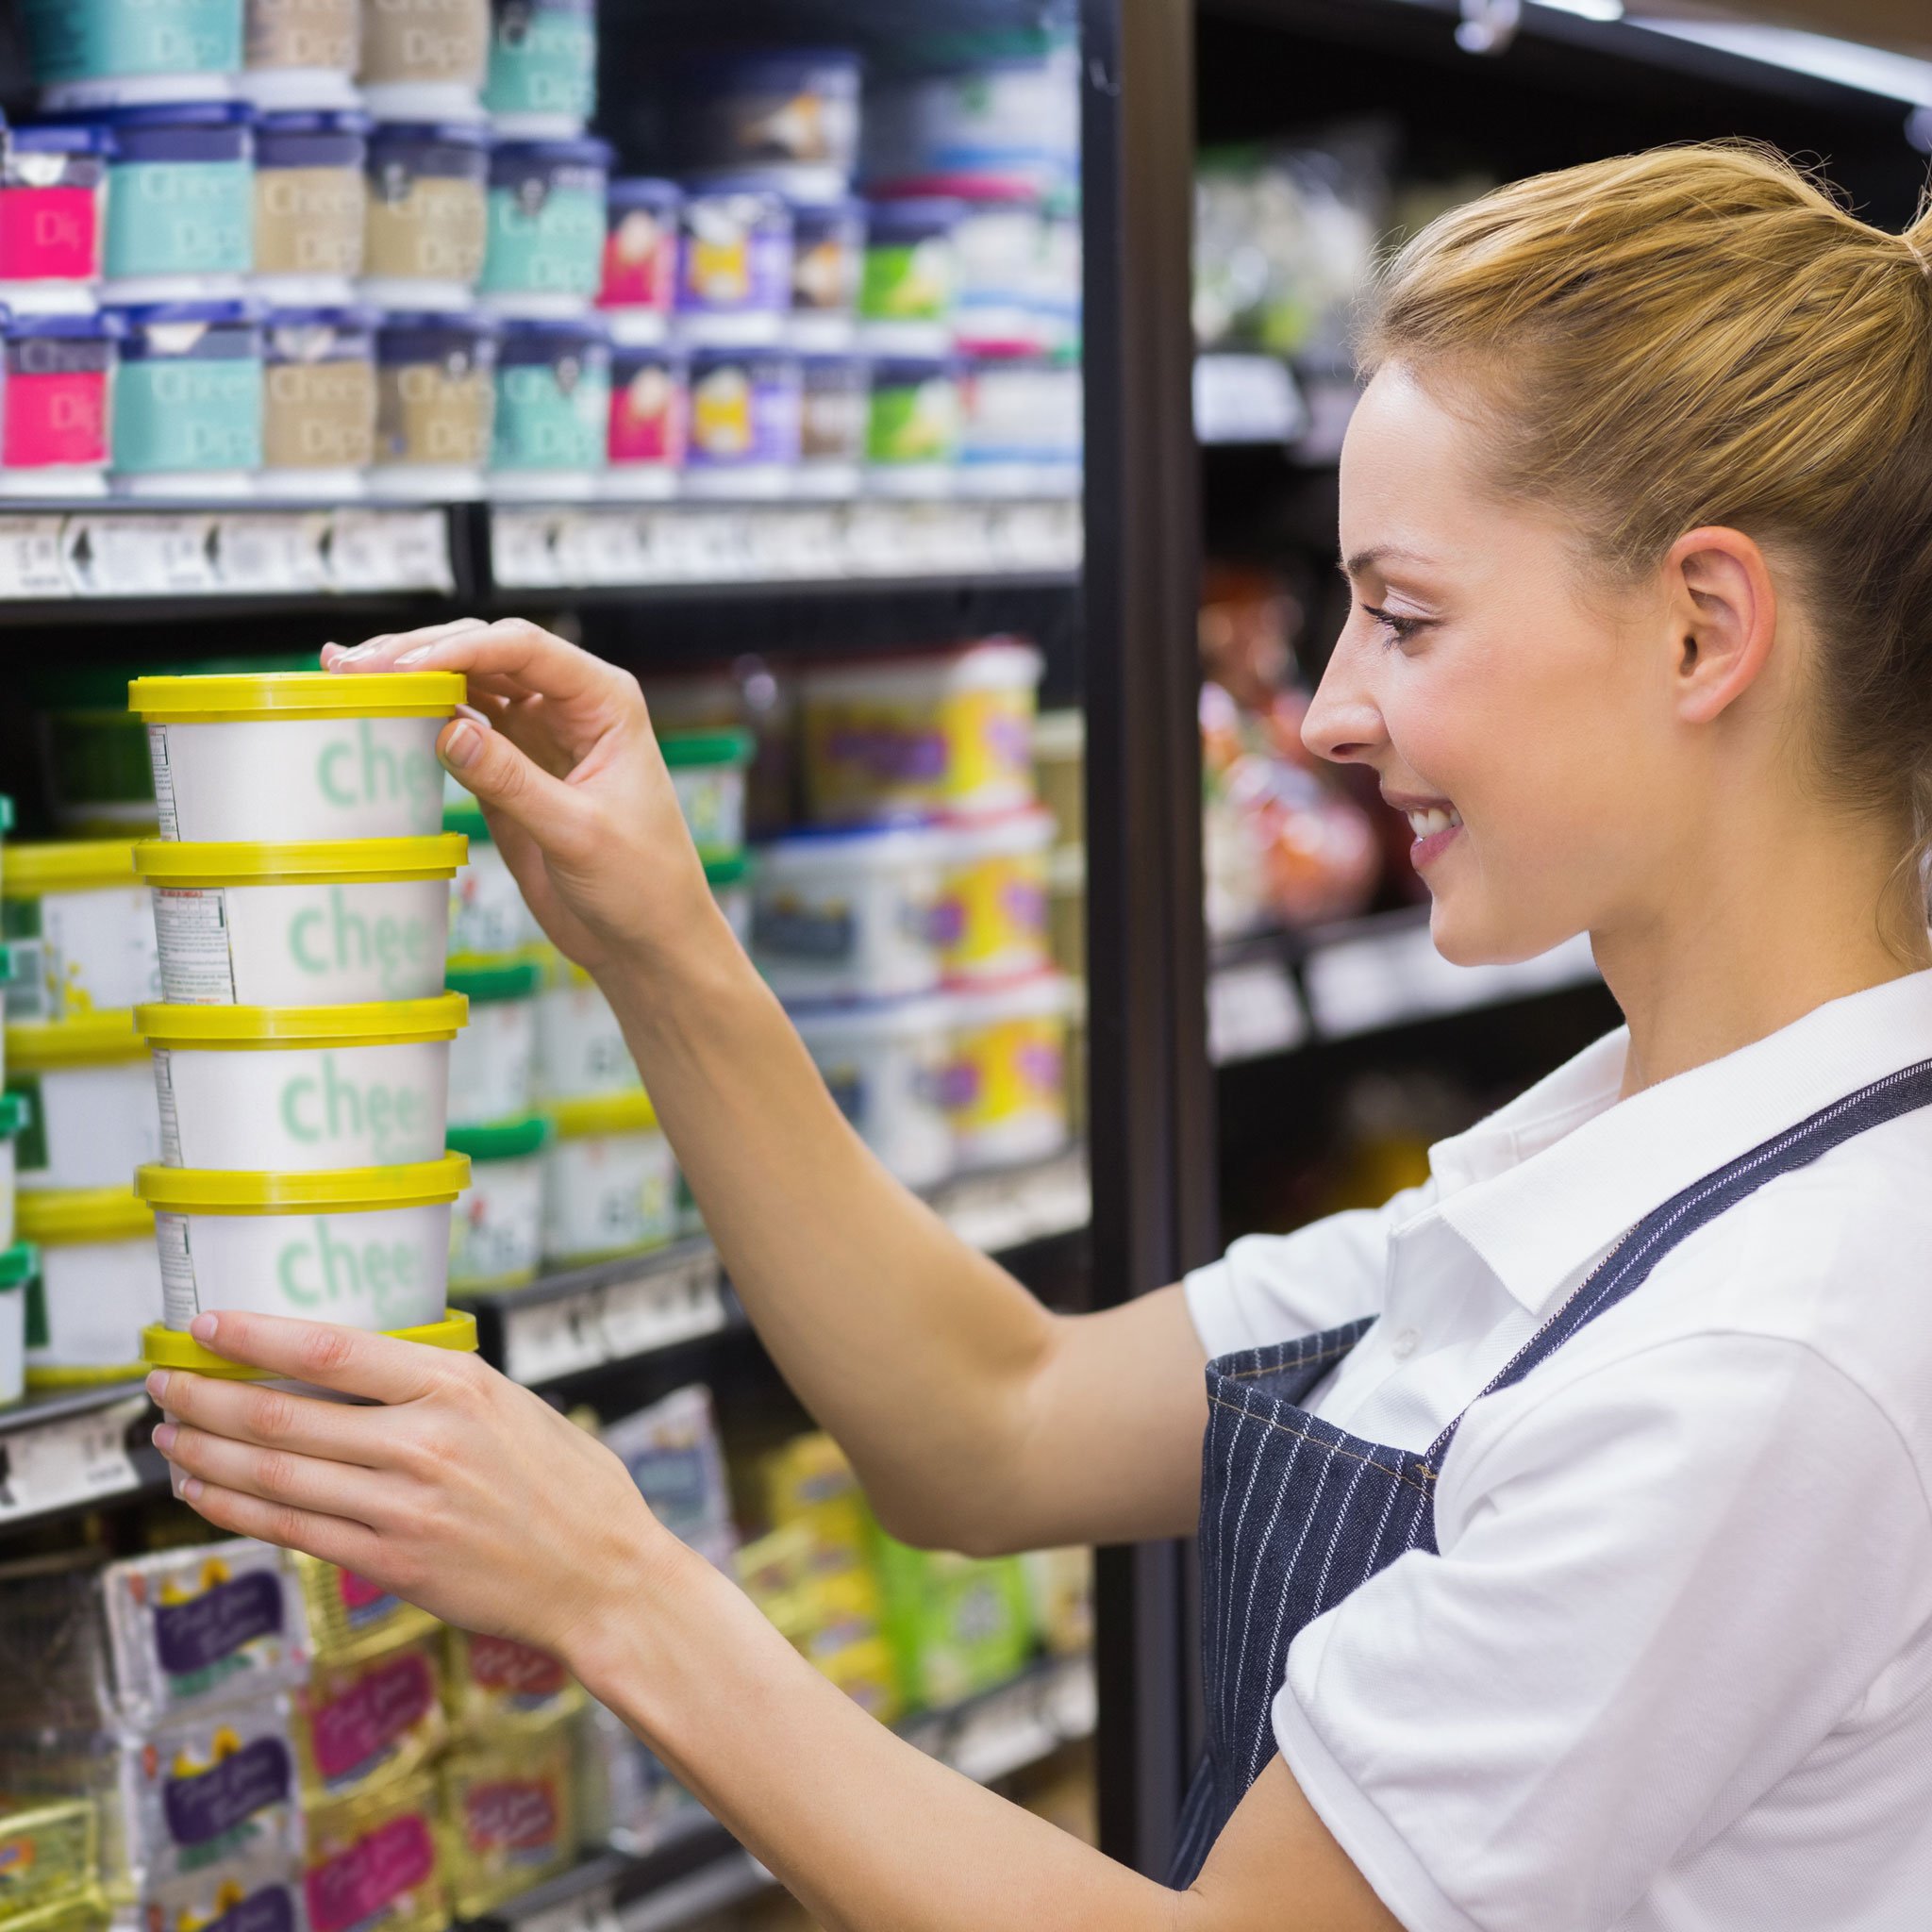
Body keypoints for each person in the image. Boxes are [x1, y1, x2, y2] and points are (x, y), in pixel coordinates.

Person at [149, 139, 1932, 1928]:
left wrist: (618, 1587)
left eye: (1400, 616)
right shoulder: (1632, 1157)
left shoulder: (1765, 1357)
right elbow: (996, 1423)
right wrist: (662, 944)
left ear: (1704, 629)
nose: (1325, 711)